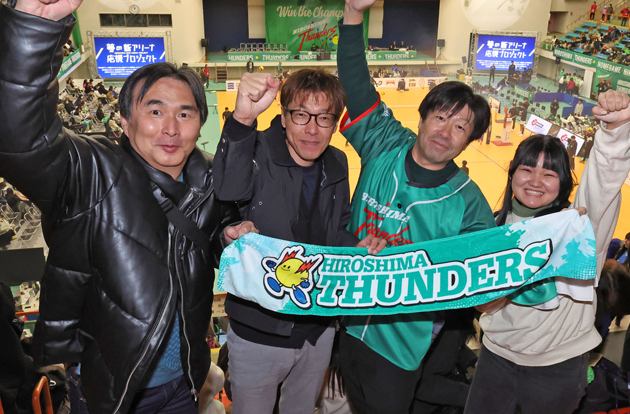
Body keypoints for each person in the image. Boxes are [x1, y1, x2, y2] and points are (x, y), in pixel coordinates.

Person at [0, 2, 240, 414]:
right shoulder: (92, 174)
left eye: (184, 113)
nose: (170, 127)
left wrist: (230, 235)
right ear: (125, 122)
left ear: (200, 123)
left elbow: (210, 243)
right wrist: (35, 29)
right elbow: (22, 140)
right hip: (112, 391)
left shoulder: (210, 180)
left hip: (184, 383)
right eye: (155, 111)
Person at [336, 1, 496, 412]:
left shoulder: (470, 204)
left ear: (468, 141)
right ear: (422, 118)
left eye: (460, 127)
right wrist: (353, 14)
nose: (446, 132)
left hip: (398, 350)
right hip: (344, 323)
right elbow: (354, 80)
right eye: (441, 117)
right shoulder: (383, 141)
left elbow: (481, 281)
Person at [214, 68, 386, 414]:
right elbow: (228, 189)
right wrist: (243, 120)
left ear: (335, 123)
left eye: (324, 118)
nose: (312, 129)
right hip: (259, 331)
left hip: (318, 329)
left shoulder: (337, 162)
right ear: (283, 116)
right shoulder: (256, 150)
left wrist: (356, 245)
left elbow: (336, 228)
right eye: (301, 115)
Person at [465, 89, 630, 414]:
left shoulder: (579, 229)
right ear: (512, 173)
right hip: (495, 358)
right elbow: (482, 303)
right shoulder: (492, 228)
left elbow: (602, 184)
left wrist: (614, 132)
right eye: (527, 169)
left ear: (564, 182)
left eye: (549, 173)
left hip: (557, 368)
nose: (536, 181)